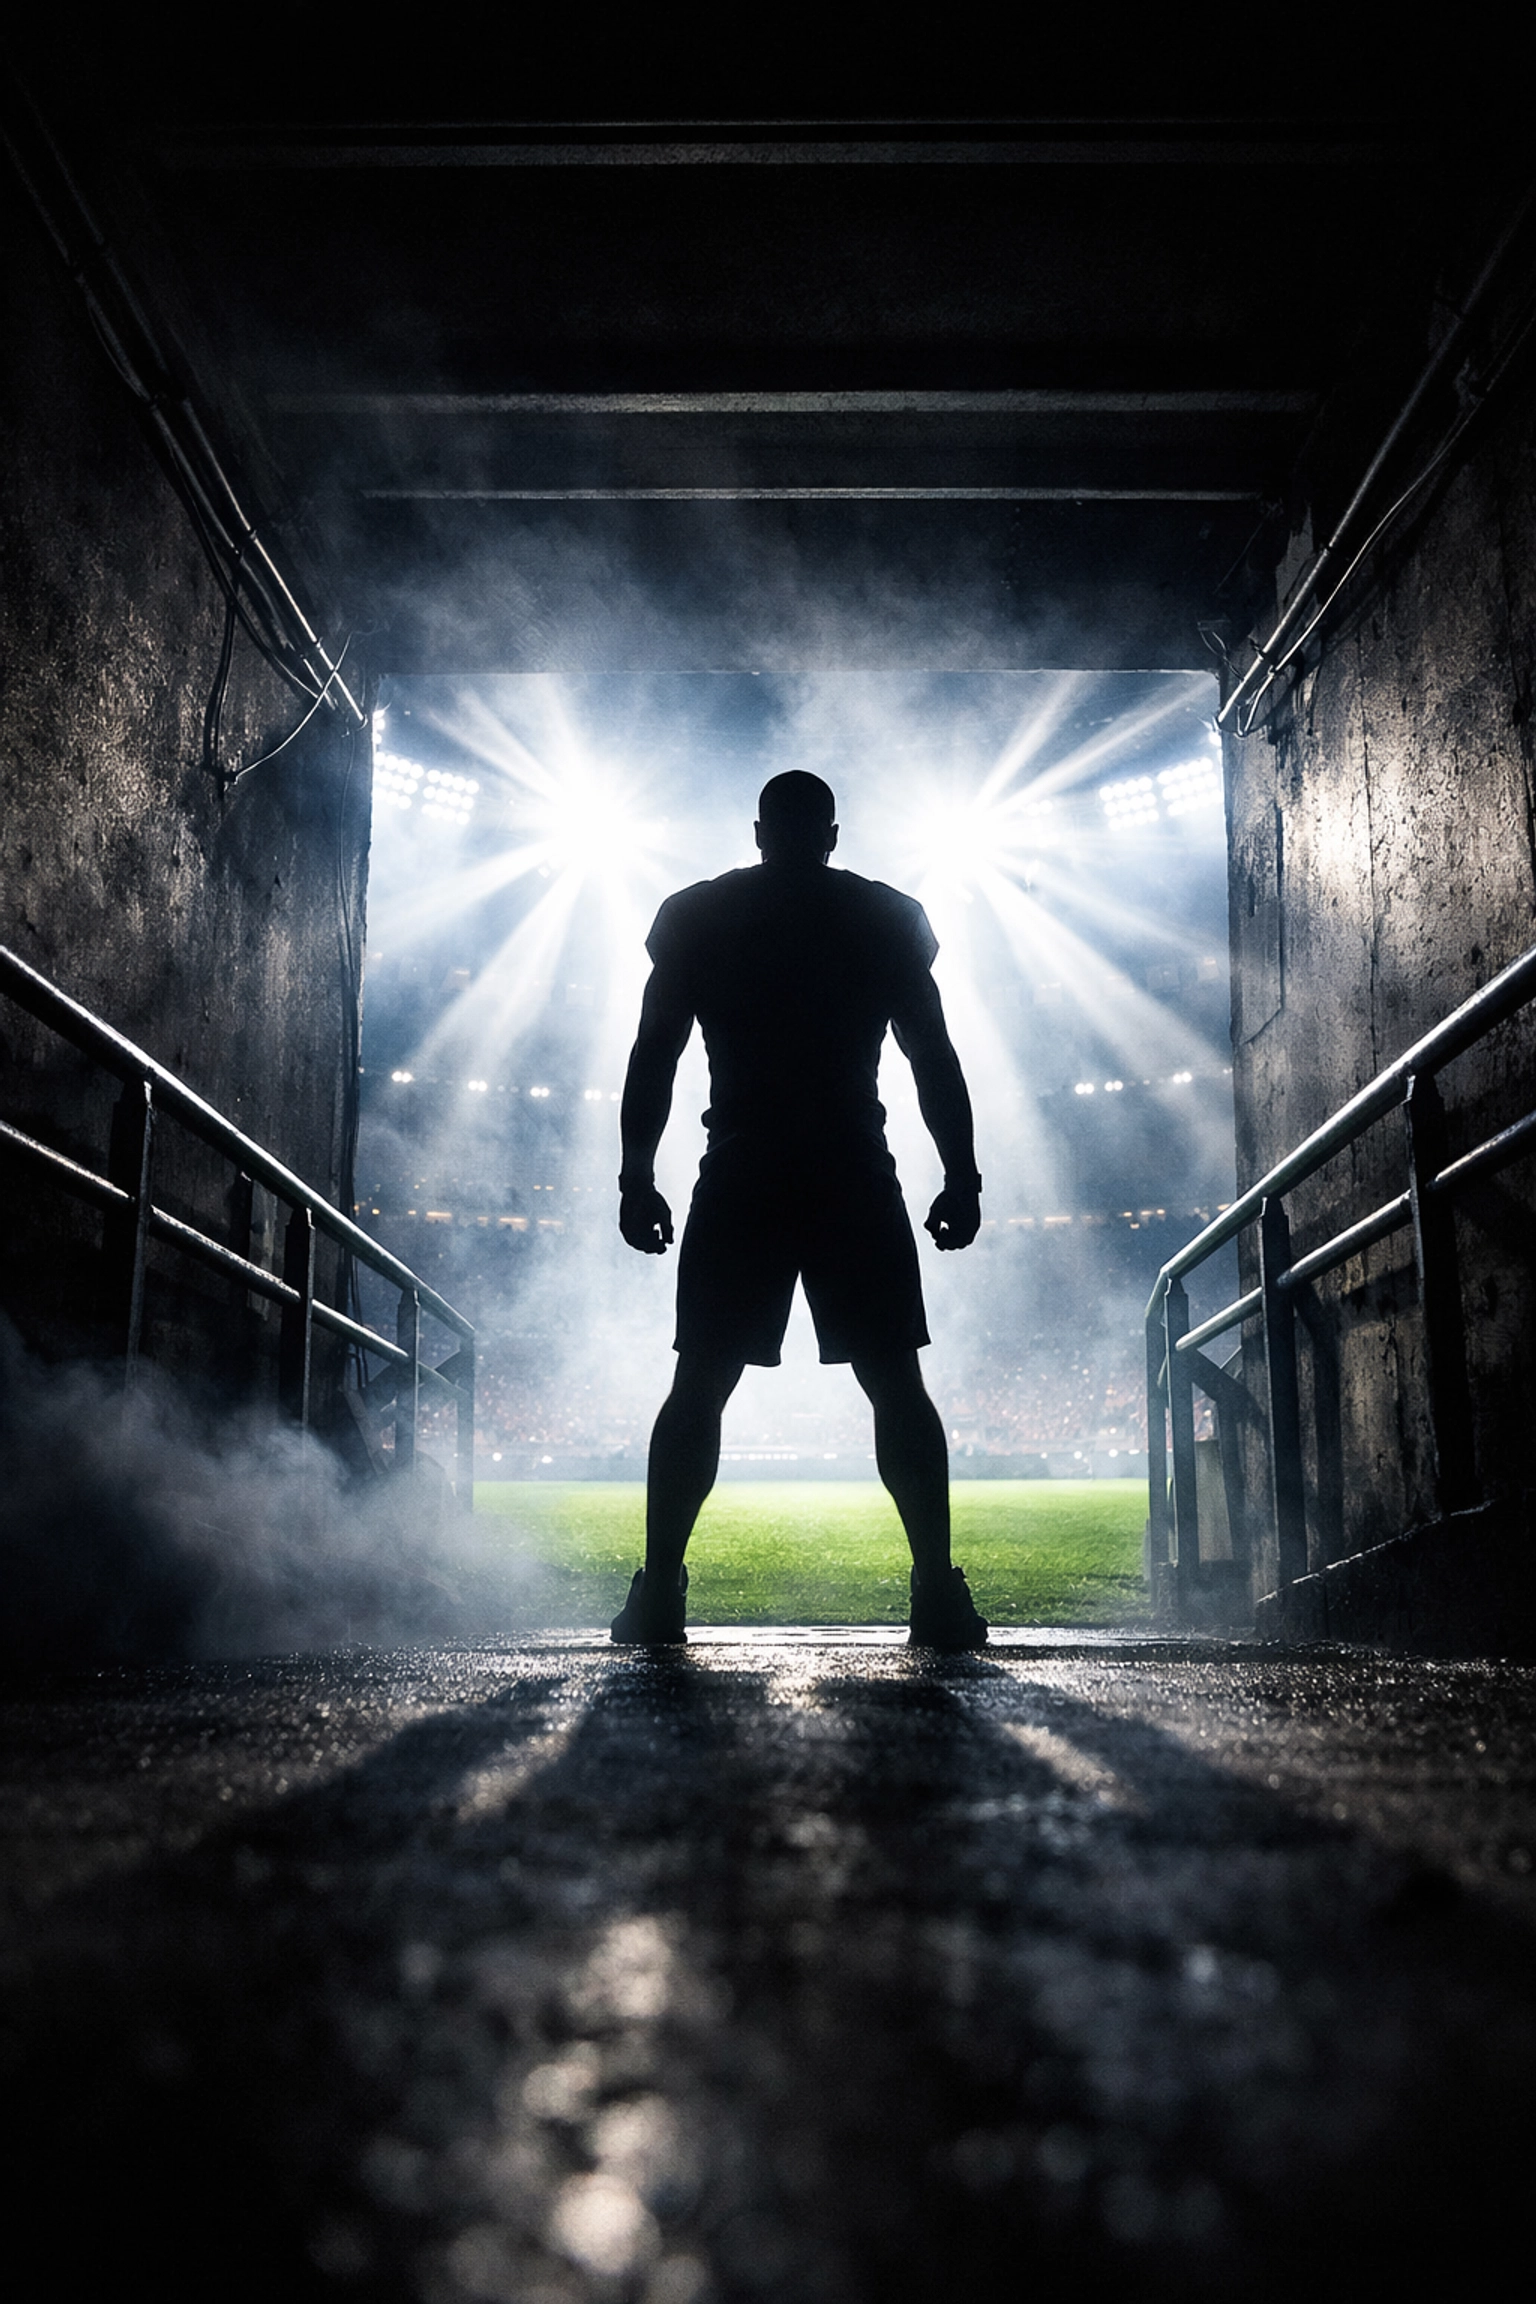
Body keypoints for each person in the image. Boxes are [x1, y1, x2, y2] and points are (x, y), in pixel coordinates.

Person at [612, 769, 988, 1650]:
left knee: (700, 1380)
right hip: (850, 1162)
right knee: (895, 1379)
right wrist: (962, 1174)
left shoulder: (698, 918)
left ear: (756, 833)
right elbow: (934, 1057)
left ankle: (660, 1591)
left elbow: (654, 1056)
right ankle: (934, 1589)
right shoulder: (883, 919)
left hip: (742, 1159)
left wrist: (636, 1176)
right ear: (831, 835)